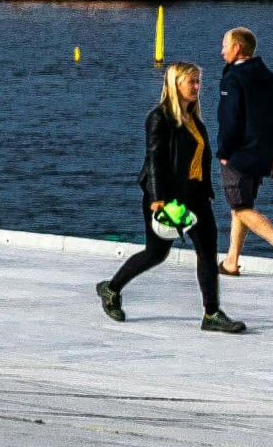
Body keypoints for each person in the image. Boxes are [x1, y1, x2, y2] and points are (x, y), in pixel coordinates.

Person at [99, 60, 246, 336]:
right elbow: (154, 160)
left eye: (198, 81)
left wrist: (206, 192)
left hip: (196, 196)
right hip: (167, 197)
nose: (196, 86)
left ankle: (211, 313)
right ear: (175, 83)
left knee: (207, 250)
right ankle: (111, 288)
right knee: (156, 253)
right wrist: (157, 199)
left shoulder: (195, 120)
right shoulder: (159, 118)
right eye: (191, 81)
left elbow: (197, 162)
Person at [215, 28, 273, 282]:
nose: (222, 51)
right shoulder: (269, 76)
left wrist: (224, 151)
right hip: (263, 153)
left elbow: (231, 119)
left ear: (238, 48)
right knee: (242, 206)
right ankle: (231, 261)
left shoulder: (233, 78)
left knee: (240, 208)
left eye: (225, 45)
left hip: (239, 154)